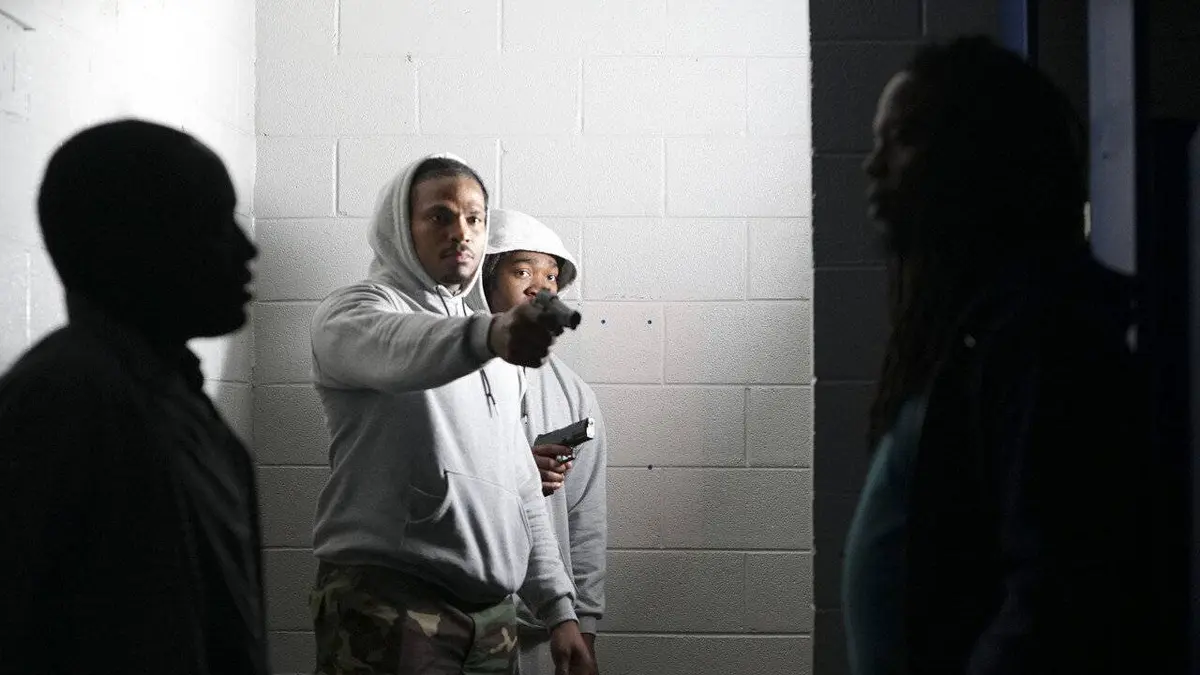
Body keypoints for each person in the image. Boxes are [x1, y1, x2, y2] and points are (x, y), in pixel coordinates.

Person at [842, 36, 1161, 675]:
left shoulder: (1038, 335)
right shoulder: (974, 330)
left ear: (976, 156)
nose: (873, 166)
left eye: (903, 137)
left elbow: (1055, 596)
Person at [308, 154, 596, 675]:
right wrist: (490, 334)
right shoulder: (352, 313)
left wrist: (560, 611)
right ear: (402, 226)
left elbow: (521, 490)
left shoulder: (496, 352)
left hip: (492, 619)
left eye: (474, 218)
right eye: (439, 216)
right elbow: (400, 345)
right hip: (390, 604)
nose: (461, 232)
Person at [0, 120, 267, 674]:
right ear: (135, 242)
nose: (247, 248)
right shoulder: (64, 399)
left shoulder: (176, 403)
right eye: (214, 223)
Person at [481, 210, 608, 674]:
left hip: (546, 630)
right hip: (459, 620)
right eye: (522, 272)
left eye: (551, 276)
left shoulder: (573, 394)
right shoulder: (447, 373)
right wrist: (513, 474)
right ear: (485, 279)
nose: (540, 287)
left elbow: (585, 517)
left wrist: (583, 626)